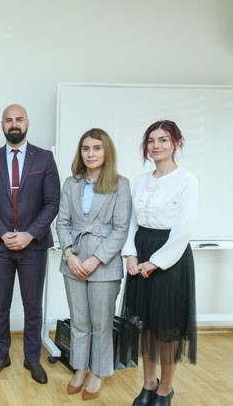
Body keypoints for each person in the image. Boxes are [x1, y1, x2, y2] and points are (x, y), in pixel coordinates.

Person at [0, 104, 60, 383]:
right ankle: (1, 355)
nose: (14, 124)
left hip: (33, 246)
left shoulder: (44, 159)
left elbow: (52, 202)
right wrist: (3, 233)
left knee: (32, 306)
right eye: (9, 120)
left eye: (19, 119)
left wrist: (29, 234)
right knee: (0, 305)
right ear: (2, 124)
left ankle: (32, 358)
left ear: (27, 123)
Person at [122, 120, 198, 406]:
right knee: (145, 325)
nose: (156, 146)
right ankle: (148, 384)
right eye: (151, 141)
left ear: (176, 143)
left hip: (170, 259)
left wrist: (154, 263)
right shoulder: (141, 180)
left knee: (167, 329)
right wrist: (131, 255)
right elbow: (131, 222)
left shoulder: (186, 179)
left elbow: (183, 231)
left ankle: (165, 389)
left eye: (163, 140)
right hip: (141, 250)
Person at [55, 128, 132, 400]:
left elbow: (121, 229)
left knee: (101, 324)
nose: (91, 154)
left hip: (104, 265)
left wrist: (96, 259)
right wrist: (70, 255)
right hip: (73, 262)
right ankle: (80, 368)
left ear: (106, 151)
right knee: (79, 321)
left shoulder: (120, 185)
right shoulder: (71, 183)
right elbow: (62, 222)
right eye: (86, 148)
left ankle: (98, 372)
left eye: (97, 148)